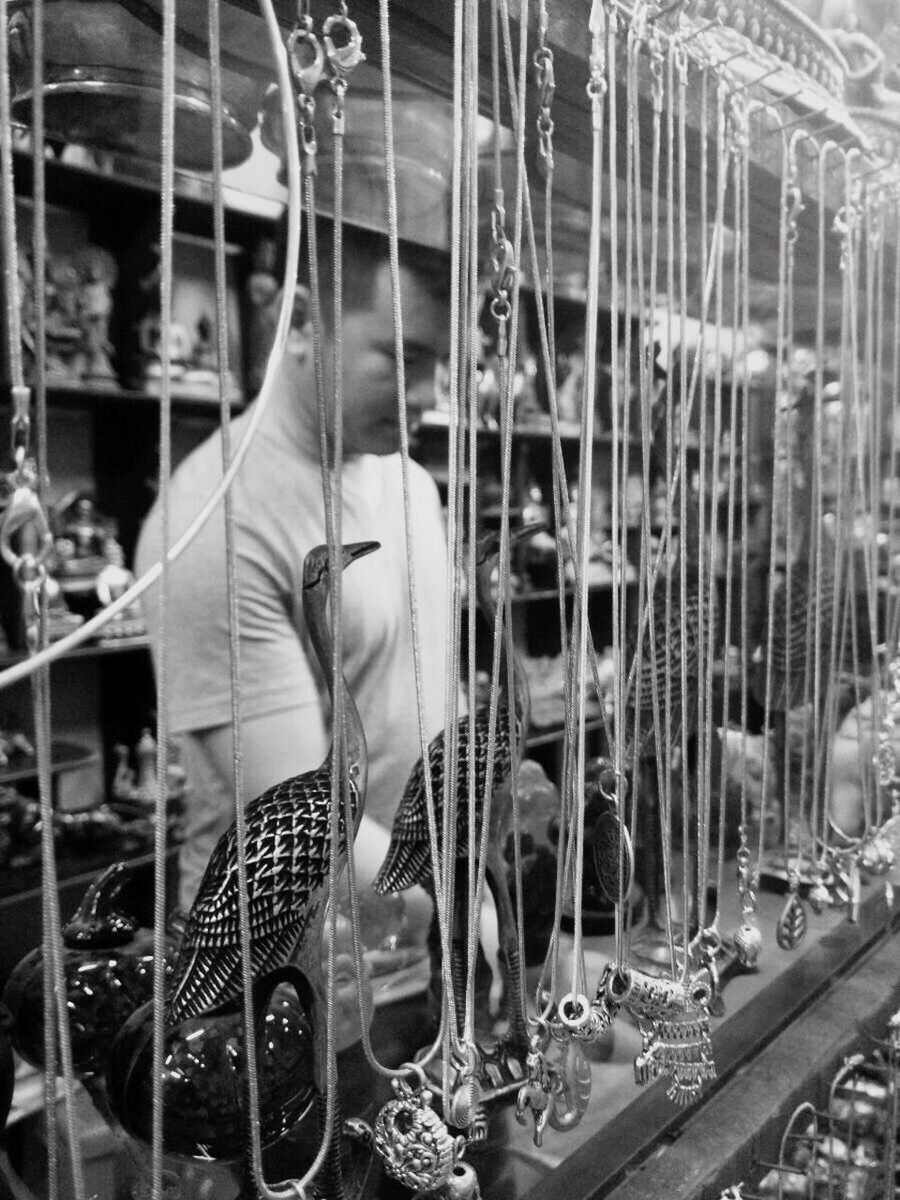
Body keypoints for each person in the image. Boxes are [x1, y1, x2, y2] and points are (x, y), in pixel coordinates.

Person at [135, 216, 451, 973]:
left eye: (443, 365)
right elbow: (302, 825)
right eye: (402, 359)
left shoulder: (413, 485)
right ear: (305, 320)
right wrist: (477, 906)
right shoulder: (213, 523)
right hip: (275, 974)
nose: (429, 396)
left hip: (419, 932)